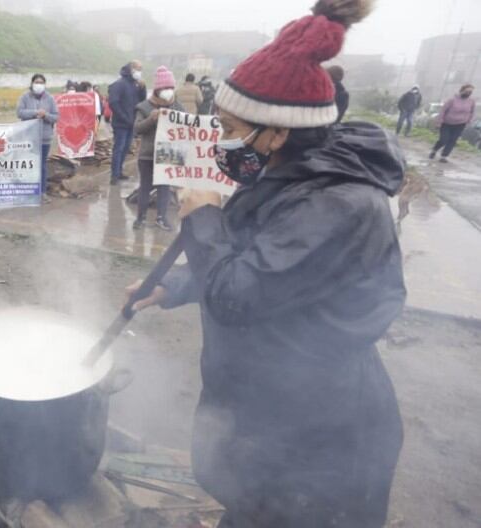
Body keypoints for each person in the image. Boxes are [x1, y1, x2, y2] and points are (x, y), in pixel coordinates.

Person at [127, 0, 404, 525]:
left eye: (231, 127)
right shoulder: (290, 172)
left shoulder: (336, 205)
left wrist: (203, 217)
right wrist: (178, 285)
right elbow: (269, 266)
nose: (222, 139)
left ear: (278, 131)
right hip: (272, 406)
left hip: (319, 441)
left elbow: (241, 293)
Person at [133, 67, 183, 231]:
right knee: (145, 187)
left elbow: (187, 127)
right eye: (165, 88)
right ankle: (140, 217)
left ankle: (161, 217)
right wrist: (151, 118)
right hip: (148, 154)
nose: (168, 92)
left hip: (168, 154)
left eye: (171, 88)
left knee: (164, 188)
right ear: (157, 90)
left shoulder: (177, 107)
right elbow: (137, 128)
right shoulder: (144, 107)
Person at [17, 74, 59, 203]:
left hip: (44, 138)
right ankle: (28, 191)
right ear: (32, 83)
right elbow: (20, 112)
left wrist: (45, 115)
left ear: (44, 84)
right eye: (36, 82)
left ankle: (42, 192)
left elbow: (56, 117)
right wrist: (35, 113)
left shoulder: (50, 98)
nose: (39, 84)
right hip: (29, 138)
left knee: (42, 165)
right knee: (29, 165)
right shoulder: (25, 97)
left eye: (41, 82)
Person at [108, 60, 145, 185]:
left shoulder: (135, 85)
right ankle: (114, 175)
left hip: (131, 123)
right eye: (137, 68)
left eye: (141, 69)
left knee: (125, 149)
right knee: (118, 148)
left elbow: (141, 102)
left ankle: (119, 171)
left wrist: (143, 88)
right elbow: (113, 103)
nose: (139, 71)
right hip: (121, 124)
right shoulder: (119, 84)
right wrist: (125, 118)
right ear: (131, 68)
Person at [430, 84, 476, 163]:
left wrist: (469, 121)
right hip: (447, 123)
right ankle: (434, 150)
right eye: (467, 91)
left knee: (452, 140)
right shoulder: (452, 100)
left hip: (460, 124)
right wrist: (439, 122)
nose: (468, 93)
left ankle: (444, 156)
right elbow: (443, 111)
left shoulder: (471, 102)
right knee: (443, 139)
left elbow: (472, 112)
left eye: (470, 92)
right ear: (462, 90)